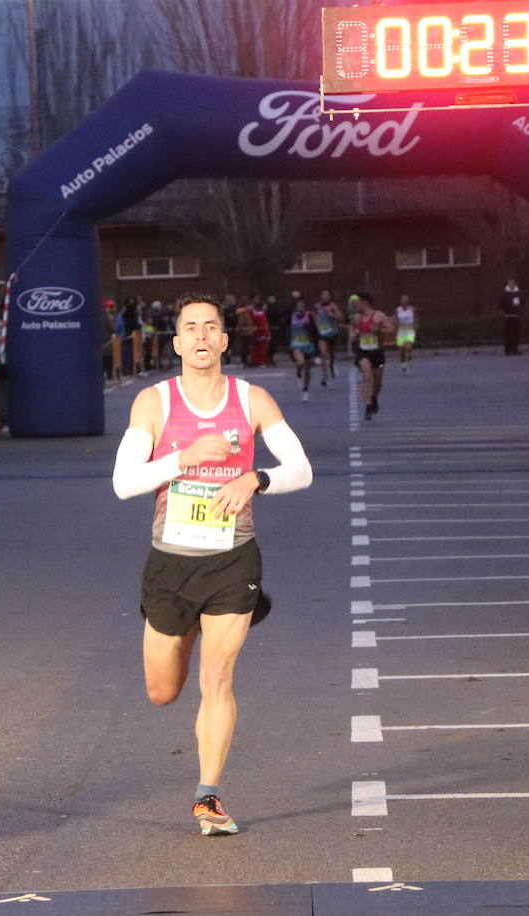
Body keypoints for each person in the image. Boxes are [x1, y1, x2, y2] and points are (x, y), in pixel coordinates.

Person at [112, 293, 313, 837]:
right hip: (171, 566)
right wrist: (183, 458)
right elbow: (123, 483)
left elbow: (302, 468)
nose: (201, 336)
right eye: (190, 328)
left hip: (232, 559)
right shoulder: (154, 403)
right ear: (175, 343)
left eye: (211, 327)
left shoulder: (252, 400)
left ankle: (208, 797)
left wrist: (257, 478)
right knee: (163, 691)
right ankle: (189, 625)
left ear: (225, 339)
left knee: (217, 678)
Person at [351, 292, 393, 420]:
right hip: (363, 352)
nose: (355, 305)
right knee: (367, 376)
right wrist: (353, 335)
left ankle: (373, 398)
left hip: (377, 352)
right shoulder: (356, 318)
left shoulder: (379, 316)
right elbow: (351, 329)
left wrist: (379, 330)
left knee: (378, 382)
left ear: (365, 302)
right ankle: (368, 406)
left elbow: (391, 329)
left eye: (357, 302)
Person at [288, 295, 318, 401]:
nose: (300, 306)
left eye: (302, 304)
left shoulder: (309, 315)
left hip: (308, 345)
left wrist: (308, 327)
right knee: (301, 362)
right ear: (296, 306)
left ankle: (305, 391)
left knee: (308, 370)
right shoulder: (291, 316)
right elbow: (285, 327)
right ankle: (298, 373)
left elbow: (315, 331)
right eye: (298, 304)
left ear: (304, 305)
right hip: (296, 344)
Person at [313, 289, 344, 384]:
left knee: (331, 354)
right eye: (323, 294)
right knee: (323, 354)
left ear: (329, 297)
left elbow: (341, 318)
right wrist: (316, 323)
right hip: (322, 334)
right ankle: (325, 375)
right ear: (320, 296)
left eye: (327, 295)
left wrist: (332, 314)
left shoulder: (333, 306)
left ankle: (331, 366)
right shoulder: (317, 306)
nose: (325, 296)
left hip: (332, 333)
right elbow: (314, 317)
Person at [394, 294, 417, 372]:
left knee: (408, 347)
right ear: (400, 301)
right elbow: (396, 319)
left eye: (405, 300)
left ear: (408, 301)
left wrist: (415, 324)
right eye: (402, 300)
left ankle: (409, 353)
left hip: (410, 331)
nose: (404, 301)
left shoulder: (412, 309)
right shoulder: (397, 310)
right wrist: (396, 327)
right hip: (401, 332)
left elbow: (416, 317)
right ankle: (404, 364)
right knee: (402, 350)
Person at [499, 279, 522, 355]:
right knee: (507, 334)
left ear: (514, 284)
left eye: (512, 283)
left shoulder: (518, 293)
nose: (511, 284)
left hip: (516, 316)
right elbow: (500, 303)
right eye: (510, 283)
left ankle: (515, 349)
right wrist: (506, 310)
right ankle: (507, 350)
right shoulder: (505, 293)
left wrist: (519, 310)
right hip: (508, 316)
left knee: (516, 333)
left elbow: (522, 302)